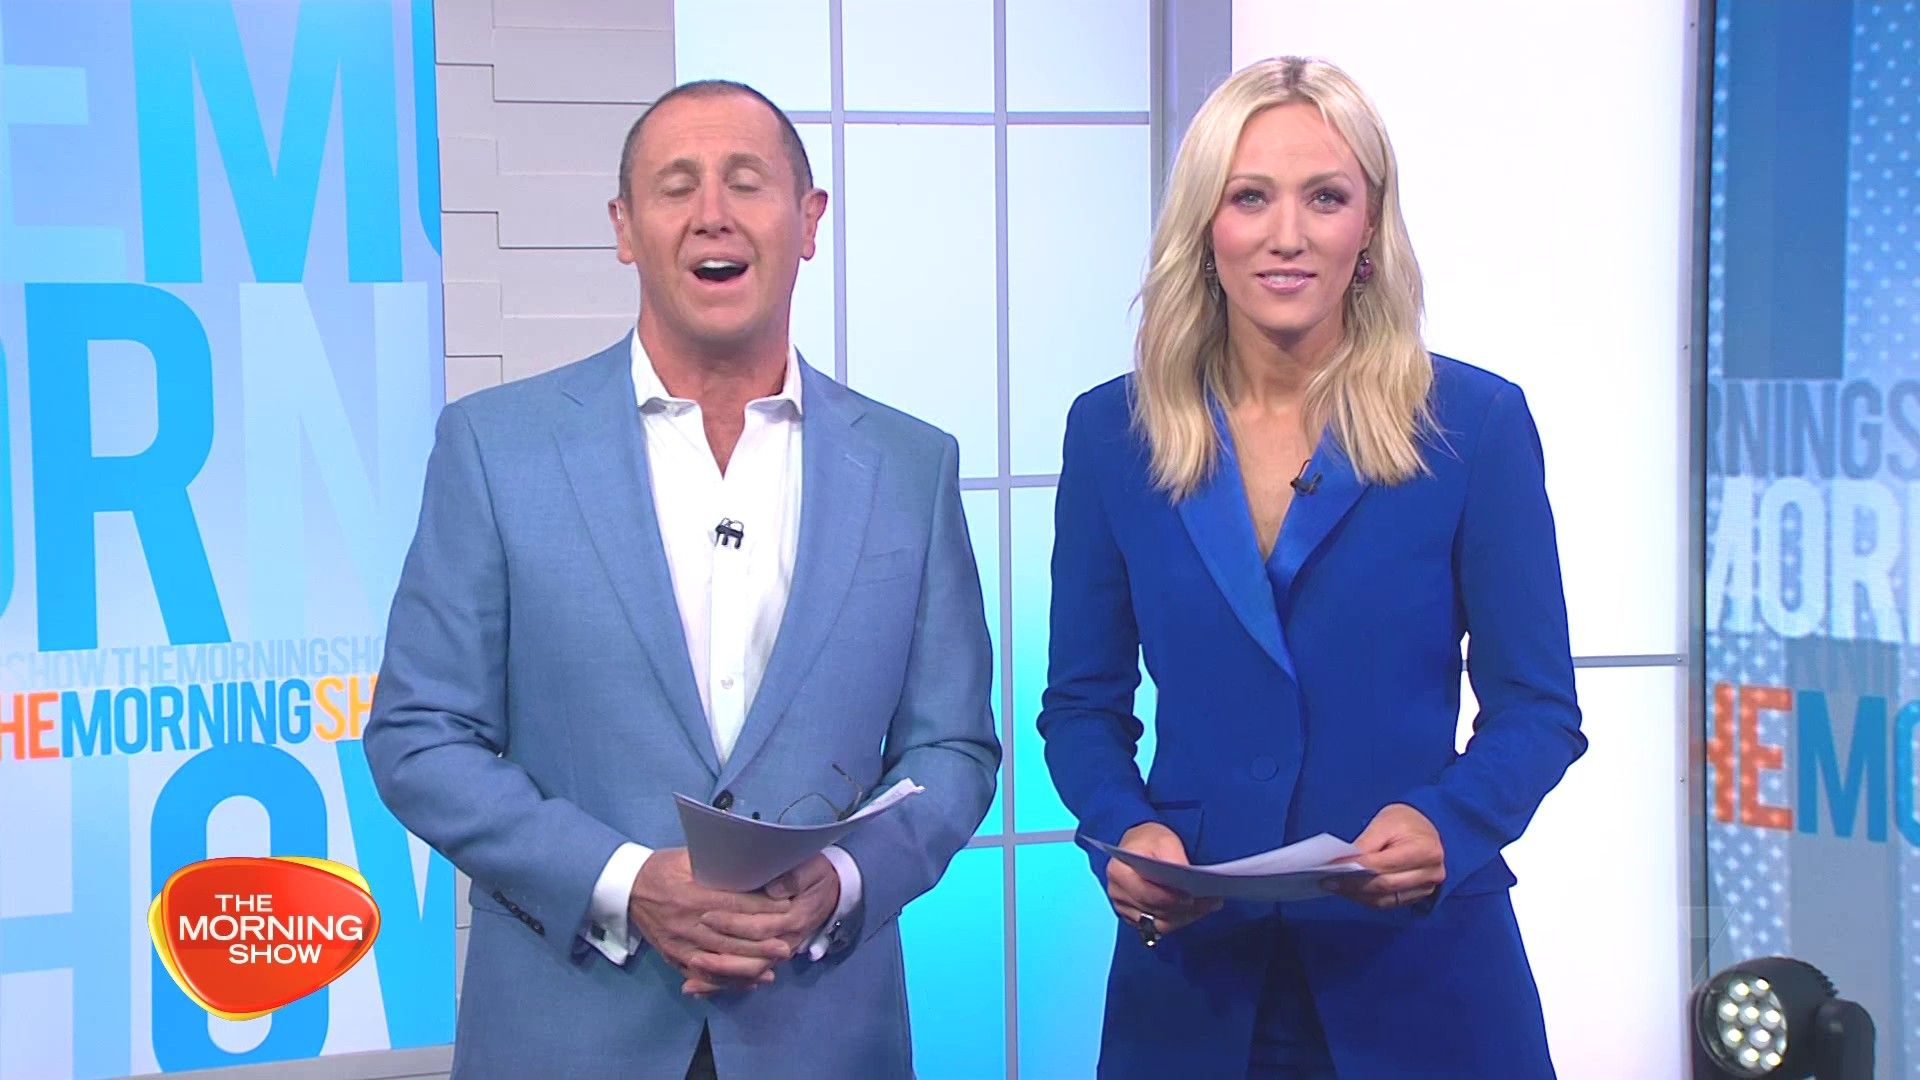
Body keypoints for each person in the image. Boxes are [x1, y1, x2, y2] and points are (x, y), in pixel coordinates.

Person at [365, 79, 999, 1080]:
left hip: (824, 1036)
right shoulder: (496, 449)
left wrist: (842, 879)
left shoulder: (911, 467)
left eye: (746, 182)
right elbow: (419, 734)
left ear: (809, 222)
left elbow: (953, 748)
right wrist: (623, 881)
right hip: (566, 1033)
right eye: (676, 187)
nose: (712, 214)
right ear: (625, 228)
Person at [1038, 56, 1586, 1079]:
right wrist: (1124, 830)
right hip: (1194, 983)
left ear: (1368, 230)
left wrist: (1450, 822)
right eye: (1250, 197)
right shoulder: (1113, 434)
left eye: (1325, 198)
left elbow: (1540, 708)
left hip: (1424, 976)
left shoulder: (1473, 424)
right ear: (1206, 226)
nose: (1286, 234)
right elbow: (1080, 705)